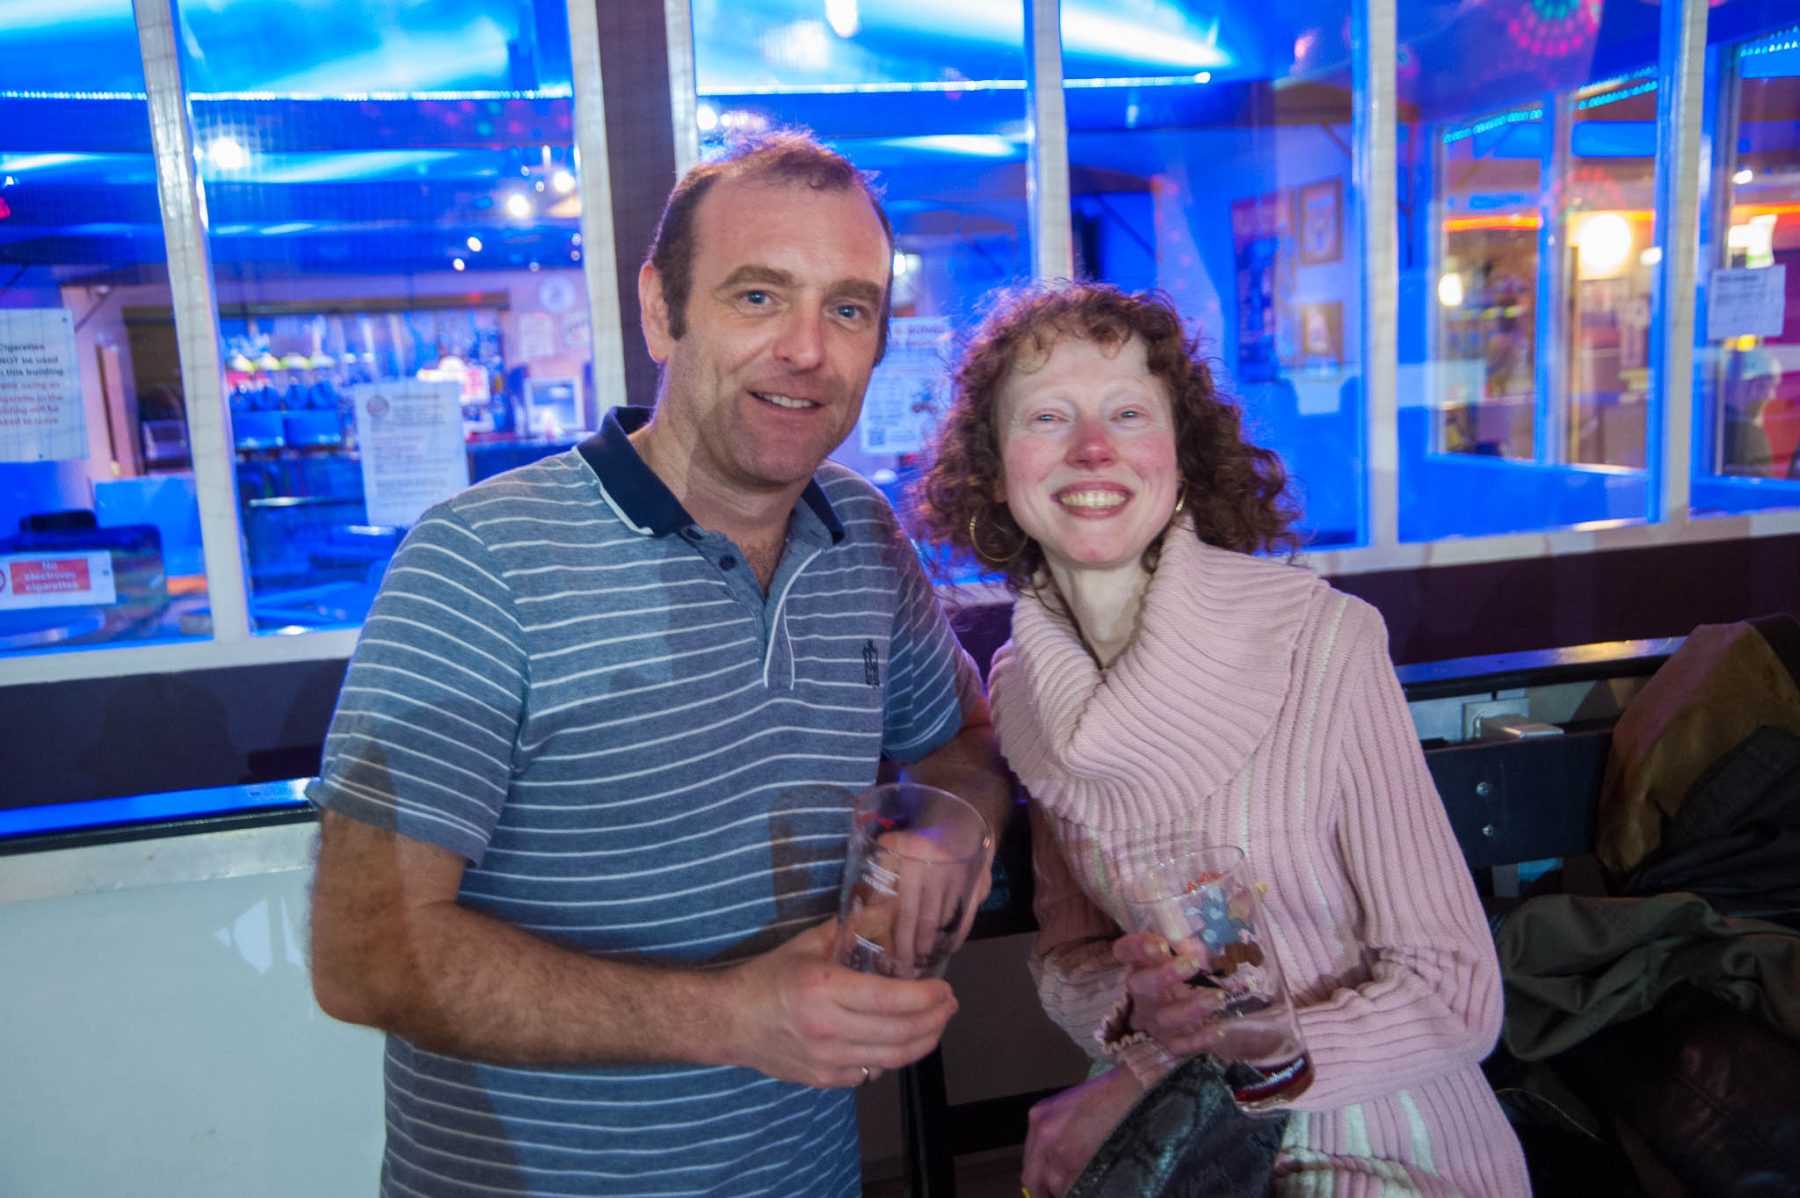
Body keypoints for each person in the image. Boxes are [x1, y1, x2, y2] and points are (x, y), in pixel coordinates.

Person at [307, 131, 1010, 1197]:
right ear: (659, 309)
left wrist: (942, 837)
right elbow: (364, 952)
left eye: (848, 308)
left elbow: (965, 740)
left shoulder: (864, 537)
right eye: (758, 296)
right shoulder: (481, 559)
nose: (807, 349)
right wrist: (731, 1015)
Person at [917, 281, 1529, 1197]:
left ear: (1181, 456)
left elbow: (1455, 991)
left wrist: (1163, 1074)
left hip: (1386, 1147)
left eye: (1129, 412)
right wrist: (1136, 1005)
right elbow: (1068, 962)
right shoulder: (1023, 685)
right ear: (996, 469)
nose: (1093, 448)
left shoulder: (1321, 640)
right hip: (1190, 1163)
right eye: (1048, 417)